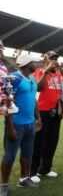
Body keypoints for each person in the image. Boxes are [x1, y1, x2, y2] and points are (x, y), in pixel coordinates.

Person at [0, 54, 41, 196]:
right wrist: (9, 126)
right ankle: (3, 186)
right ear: (27, 64)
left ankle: (24, 179)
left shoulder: (32, 79)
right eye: (34, 63)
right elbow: (7, 102)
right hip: (16, 124)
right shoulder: (14, 78)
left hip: (30, 123)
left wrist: (38, 118)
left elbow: (34, 100)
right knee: (9, 156)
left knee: (27, 154)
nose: (36, 65)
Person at [30, 51, 63, 183]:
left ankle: (45, 169)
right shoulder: (40, 71)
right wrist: (46, 70)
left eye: (56, 58)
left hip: (56, 112)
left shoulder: (59, 75)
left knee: (52, 141)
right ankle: (33, 171)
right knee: (38, 142)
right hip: (42, 112)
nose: (55, 60)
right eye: (52, 58)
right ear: (45, 59)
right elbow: (38, 88)